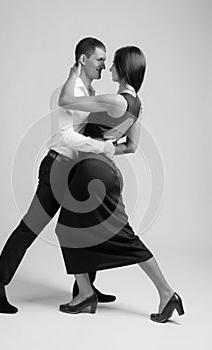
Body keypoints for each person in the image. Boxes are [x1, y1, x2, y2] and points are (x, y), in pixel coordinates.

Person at [0, 37, 118, 314]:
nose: (105, 65)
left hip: (76, 170)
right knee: (29, 229)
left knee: (87, 227)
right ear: (83, 59)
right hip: (57, 169)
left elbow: (91, 128)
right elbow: (65, 136)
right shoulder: (68, 91)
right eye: (100, 59)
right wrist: (102, 147)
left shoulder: (88, 91)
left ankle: (85, 289)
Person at [56, 46, 185, 323]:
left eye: (113, 64)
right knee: (109, 233)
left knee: (71, 231)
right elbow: (131, 146)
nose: (108, 68)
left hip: (91, 173)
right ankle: (159, 294)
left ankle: (88, 295)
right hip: (106, 173)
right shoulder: (137, 104)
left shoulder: (117, 101)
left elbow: (66, 101)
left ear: (124, 69)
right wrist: (106, 147)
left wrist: (73, 74)